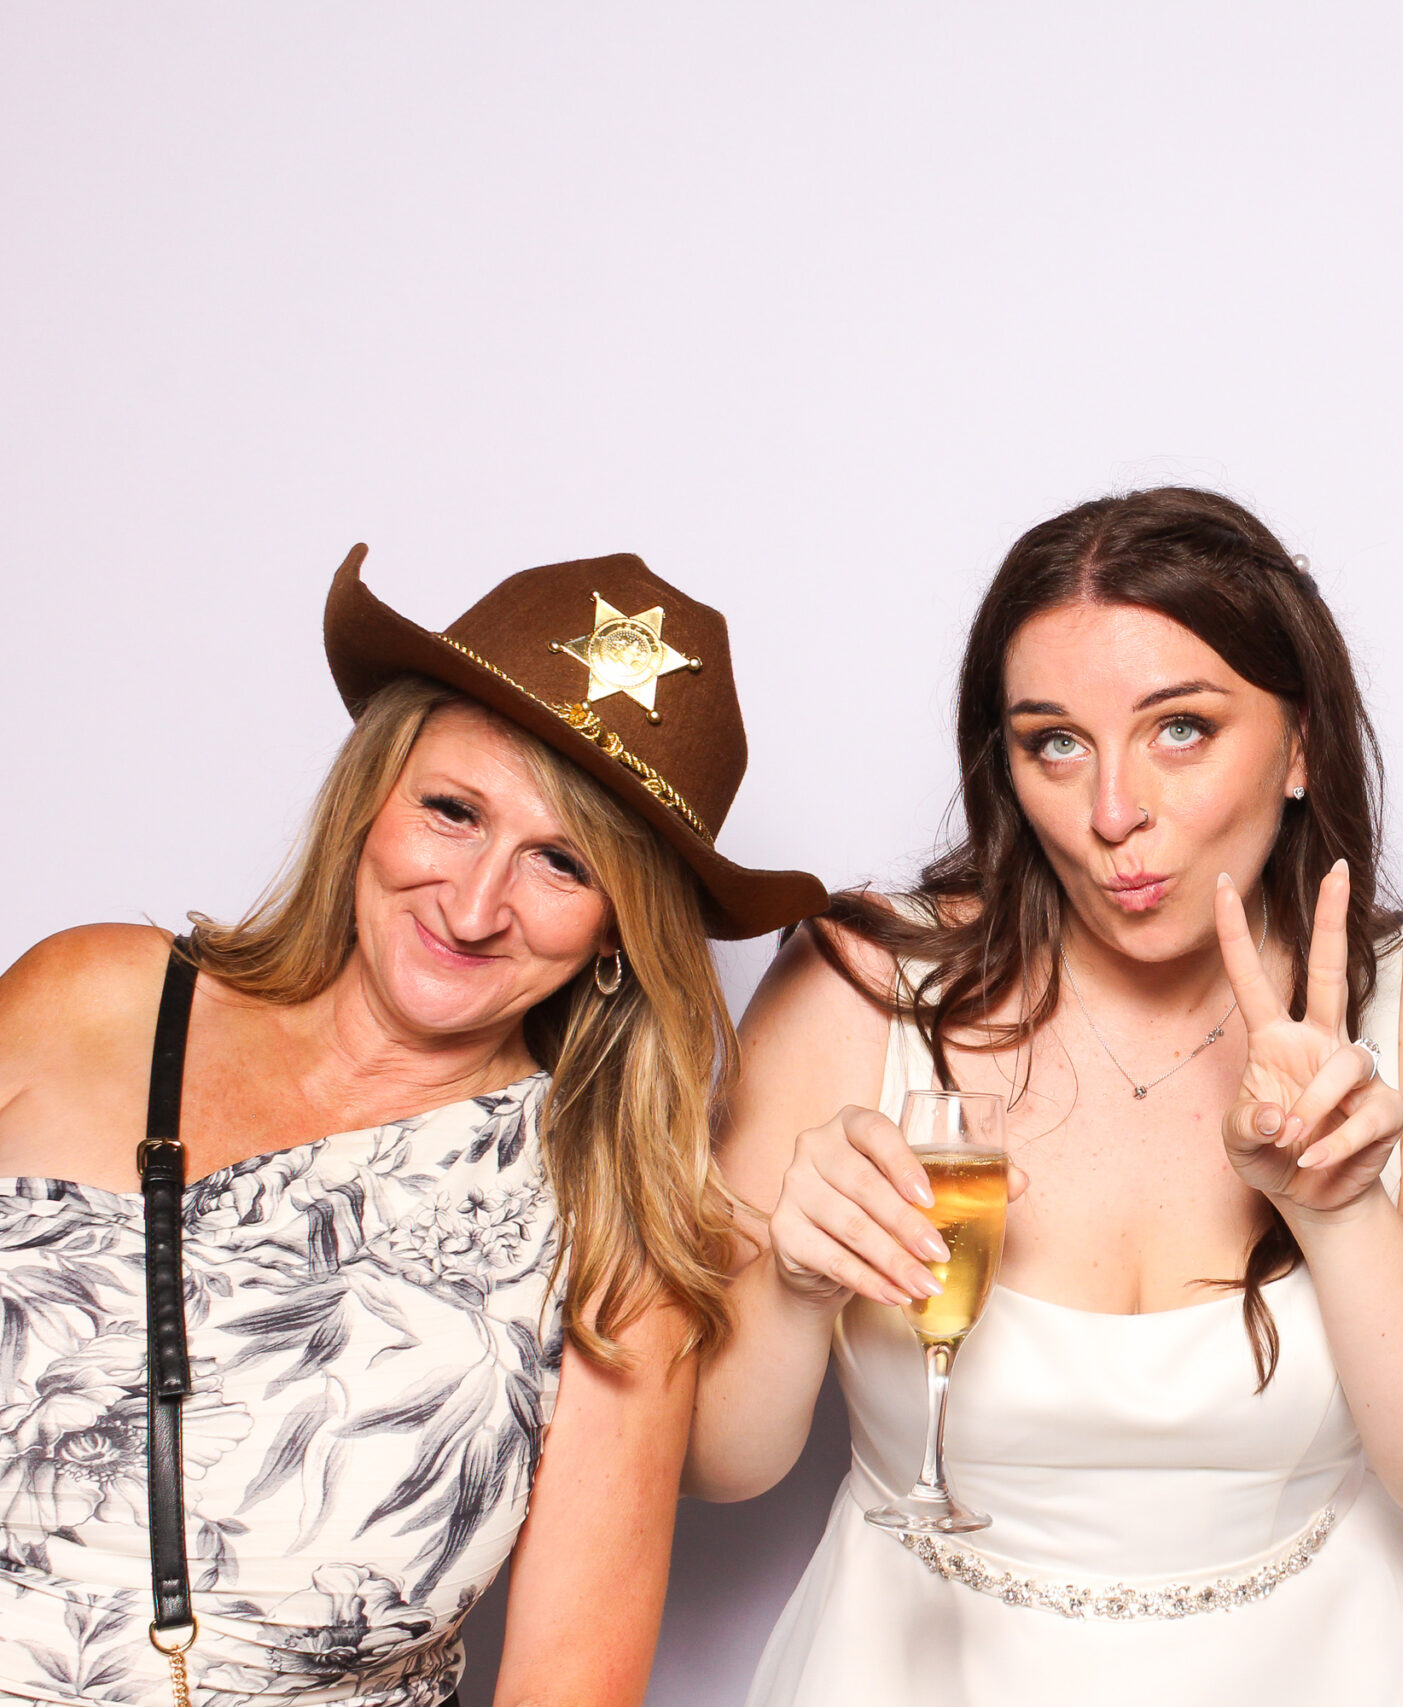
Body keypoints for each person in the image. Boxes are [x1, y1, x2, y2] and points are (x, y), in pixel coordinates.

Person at [689, 488, 1403, 1705]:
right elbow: (718, 1463)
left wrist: (1339, 1209)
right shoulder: (853, 983)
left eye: (1181, 730)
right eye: (1055, 743)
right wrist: (794, 1289)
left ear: (1302, 745)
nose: (1112, 815)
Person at [0, 547, 824, 1707]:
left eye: (561, 864)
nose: (475, 908)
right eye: (452, 811)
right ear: (371, 799)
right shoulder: (87, 1001)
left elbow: (568, 1686)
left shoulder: (609, 1234)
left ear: (616, 931)